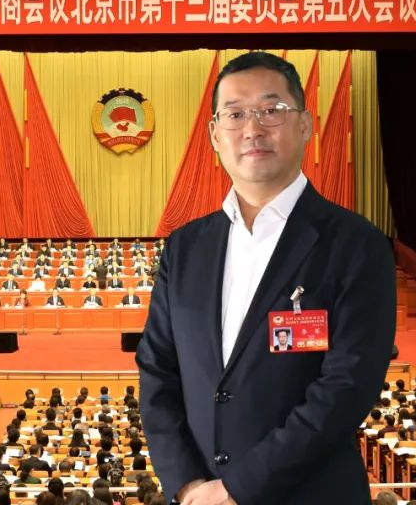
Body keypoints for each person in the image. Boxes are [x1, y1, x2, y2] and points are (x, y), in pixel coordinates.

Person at [136, 51, 396, 505]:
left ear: (305, 125)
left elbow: (346, 387)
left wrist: (238, 489)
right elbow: (158, 369)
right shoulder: (185, 246)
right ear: (215, 134)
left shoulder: (357, 244)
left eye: (271, 110)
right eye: (235, 114)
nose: (252, 129)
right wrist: (187, 484)